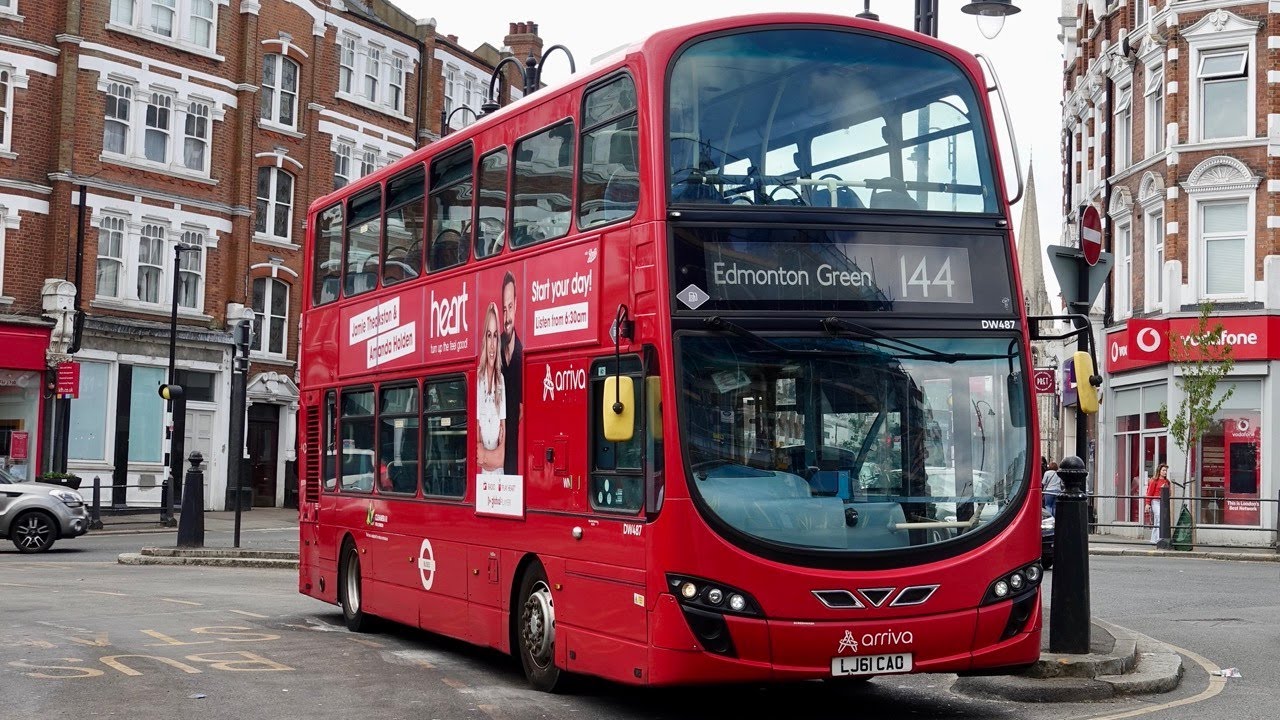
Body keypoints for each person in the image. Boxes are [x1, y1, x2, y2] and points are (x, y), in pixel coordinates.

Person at [475, 302, 506, 475]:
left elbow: (501, 455)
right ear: (484, 340)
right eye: (489, 335)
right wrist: (487, 457)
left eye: (495, 336)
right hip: (481, 472)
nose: (492, 344)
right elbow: (478, 455)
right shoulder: (477, 380)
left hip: (498, 472)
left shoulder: (500, 380)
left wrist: (489, 457)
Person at [500, 271, 523, 475]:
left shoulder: (523, 354)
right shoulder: (492, 351)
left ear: (516, 305)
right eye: (503, 309)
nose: (506, 317)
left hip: (514, 466)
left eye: (510, 307)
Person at [1144, 463, 1171, 545]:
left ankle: (1154, 539)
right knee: (1159, 518)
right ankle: (1159, 538)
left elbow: (1169, 492)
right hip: (1155, 501)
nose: (1165, 472)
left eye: (1166, 470)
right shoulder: (1154, 480)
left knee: (1157, 520)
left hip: (1163, 502)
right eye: (1163, 470)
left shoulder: (1167, 481)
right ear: (1159, 471)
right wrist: (1147, 503)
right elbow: (1149, 492)